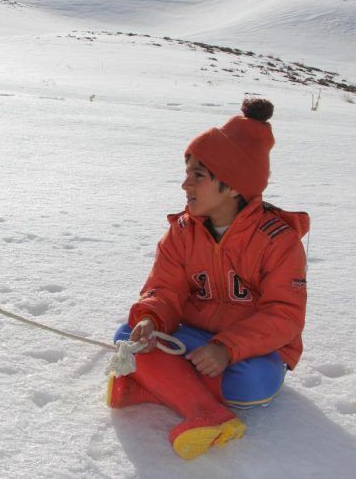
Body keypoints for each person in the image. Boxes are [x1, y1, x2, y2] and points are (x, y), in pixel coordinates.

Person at [107, 98, 309, 460]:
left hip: (252, 352)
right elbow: (164, 289)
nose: (185, 184)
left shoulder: (278, 241)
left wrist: (227, 348)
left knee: (253, 385)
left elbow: (285, 315)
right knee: (128, 336)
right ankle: (206, 412)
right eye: (187, 172)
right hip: (196, 338)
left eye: (198, 175)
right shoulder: (182, 232)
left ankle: (156, 386)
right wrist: (152, 318)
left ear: (232, 186)